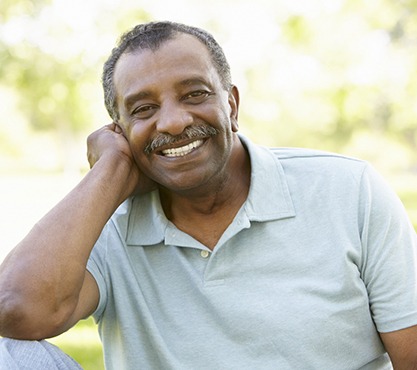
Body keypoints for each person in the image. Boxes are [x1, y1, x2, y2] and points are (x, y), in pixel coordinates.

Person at [0, 20, 417, 370]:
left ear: (232, 106)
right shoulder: (104, 222)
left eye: (195, 94)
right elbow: (16, 311)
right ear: (118, 131)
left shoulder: (348, 190)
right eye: (143, 109)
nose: (175, 122)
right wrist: (109, 171)